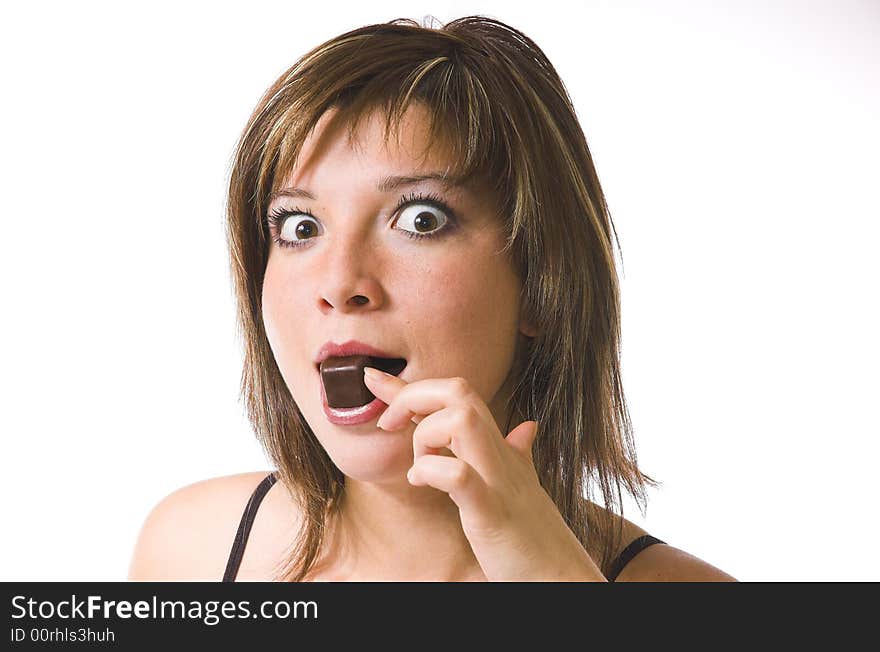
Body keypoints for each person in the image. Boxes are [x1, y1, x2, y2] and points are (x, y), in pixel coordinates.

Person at [128, 15, 735, 582]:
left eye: (420, 220)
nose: (340, 284)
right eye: (300, 228)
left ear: (542, 286)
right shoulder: (192, 551)